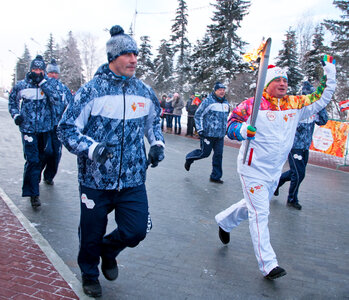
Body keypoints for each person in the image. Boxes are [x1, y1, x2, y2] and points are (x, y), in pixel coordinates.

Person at [57, 25, 165, 298]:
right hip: (95, 179)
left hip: (132, 178)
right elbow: (66, 129)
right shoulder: (91, 91)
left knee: (136, 230)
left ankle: (109, 249)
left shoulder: (144, 92)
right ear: (112, 58)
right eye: (127, 54)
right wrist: (92, 149)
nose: (133, 60)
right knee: (91, 233)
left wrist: (156, 144)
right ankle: (90, 274)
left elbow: (154, 124)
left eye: (136, 54)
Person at [215, 57, 336, 280]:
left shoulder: (295, 104)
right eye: (277, 80)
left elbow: (321, 98)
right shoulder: (252, 104)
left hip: (273, 171)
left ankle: (224, 221)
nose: (282, 84)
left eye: (285, 80)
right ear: (267, 83)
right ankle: (269, 265)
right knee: (260, 212)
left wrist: (330, 72)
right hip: (252, 169)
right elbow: (230, 126)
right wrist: (242, 130)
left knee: (252, 206)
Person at [8, 55, 60, 208]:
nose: (37, 72)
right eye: (34, 69)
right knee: (33, 160)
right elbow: (12, 102)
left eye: (40, 69)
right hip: (28, 130)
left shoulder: (49, 85)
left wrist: (43, 83)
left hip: (45, 129)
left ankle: (34, 181)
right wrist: (16, 115)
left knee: (43, 157)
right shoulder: (22, 85)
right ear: (30, 70)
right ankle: (33, 194)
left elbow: (56, 99)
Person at [274, 81, 329, 210]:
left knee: (296, 172)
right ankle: (292, 199)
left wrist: (321, 106)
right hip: (294, 146)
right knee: (299, 174)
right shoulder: (296, 108)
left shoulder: (314, 110)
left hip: (305, 146)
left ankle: (277, 183)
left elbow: (323, 121)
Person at [184, 82, 229, 183]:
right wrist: (200, 129)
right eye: (220, 89)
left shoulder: (226, 103)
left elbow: (226, 117)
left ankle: (215, 176)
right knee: (204, 153)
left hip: (220, 135)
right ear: (215, 90)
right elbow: (198, 115)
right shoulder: (208, 101)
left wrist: (225, 129)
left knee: (218, 155)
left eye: (223, 89)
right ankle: (189, 158)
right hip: (208, 134)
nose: (222, 91)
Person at [41, 59, 73, 185]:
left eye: (55, 73)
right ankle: (36, 174)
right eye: (51, 73)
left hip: (57, 126)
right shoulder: (42, 86)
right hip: (44, 126)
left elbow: (70, 106)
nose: (53, 75)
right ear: (47, 73)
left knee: (56, 153)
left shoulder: (63, 89)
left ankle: (49, 176)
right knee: (46, 151)